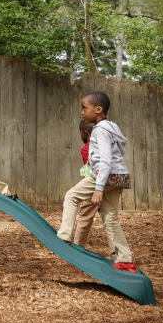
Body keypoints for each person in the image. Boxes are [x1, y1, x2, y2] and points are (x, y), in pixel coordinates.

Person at [57, 91, 137, 272]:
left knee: (71, 197)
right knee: (110, 217)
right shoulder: (112, 127)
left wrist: (99, 188)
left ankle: (64, 237)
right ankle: (124, 258)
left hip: (105, 174)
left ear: (98, 109)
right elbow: (119, 153)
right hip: (120, 176)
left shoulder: (100, 130)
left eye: (85, 108)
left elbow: (106, 160)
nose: (82, 112)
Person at [71, 120, 99, 246]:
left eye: (80, 133)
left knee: (85, 214)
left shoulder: (86, 149)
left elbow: (89, 171)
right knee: (110, 218)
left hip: (95, 185)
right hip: (111, 182)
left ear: (85, 132)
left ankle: (78, 246)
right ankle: (118, 253)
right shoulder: (102, 144)